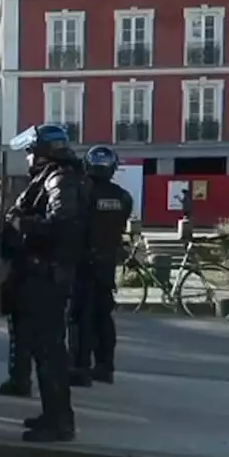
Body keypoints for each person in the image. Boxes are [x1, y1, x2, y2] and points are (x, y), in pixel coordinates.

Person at [0, 124, 84, 442]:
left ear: (45, 151)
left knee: (49, 351)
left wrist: (22, 223)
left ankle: (59, 422)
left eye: (31, 151)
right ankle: (52, 414)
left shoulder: (60, 178)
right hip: (39, 274)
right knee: (44, 349)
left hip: (46, 276)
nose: (28, 157)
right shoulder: (52, 177)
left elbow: (62, 223)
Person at [69, 145, 133, 386]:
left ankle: (79, 368)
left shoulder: (82, 193)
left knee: (79, 317)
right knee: (103, 316)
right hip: (107, 263)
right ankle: (105, 366)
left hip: (82, 262)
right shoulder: (123, 197)